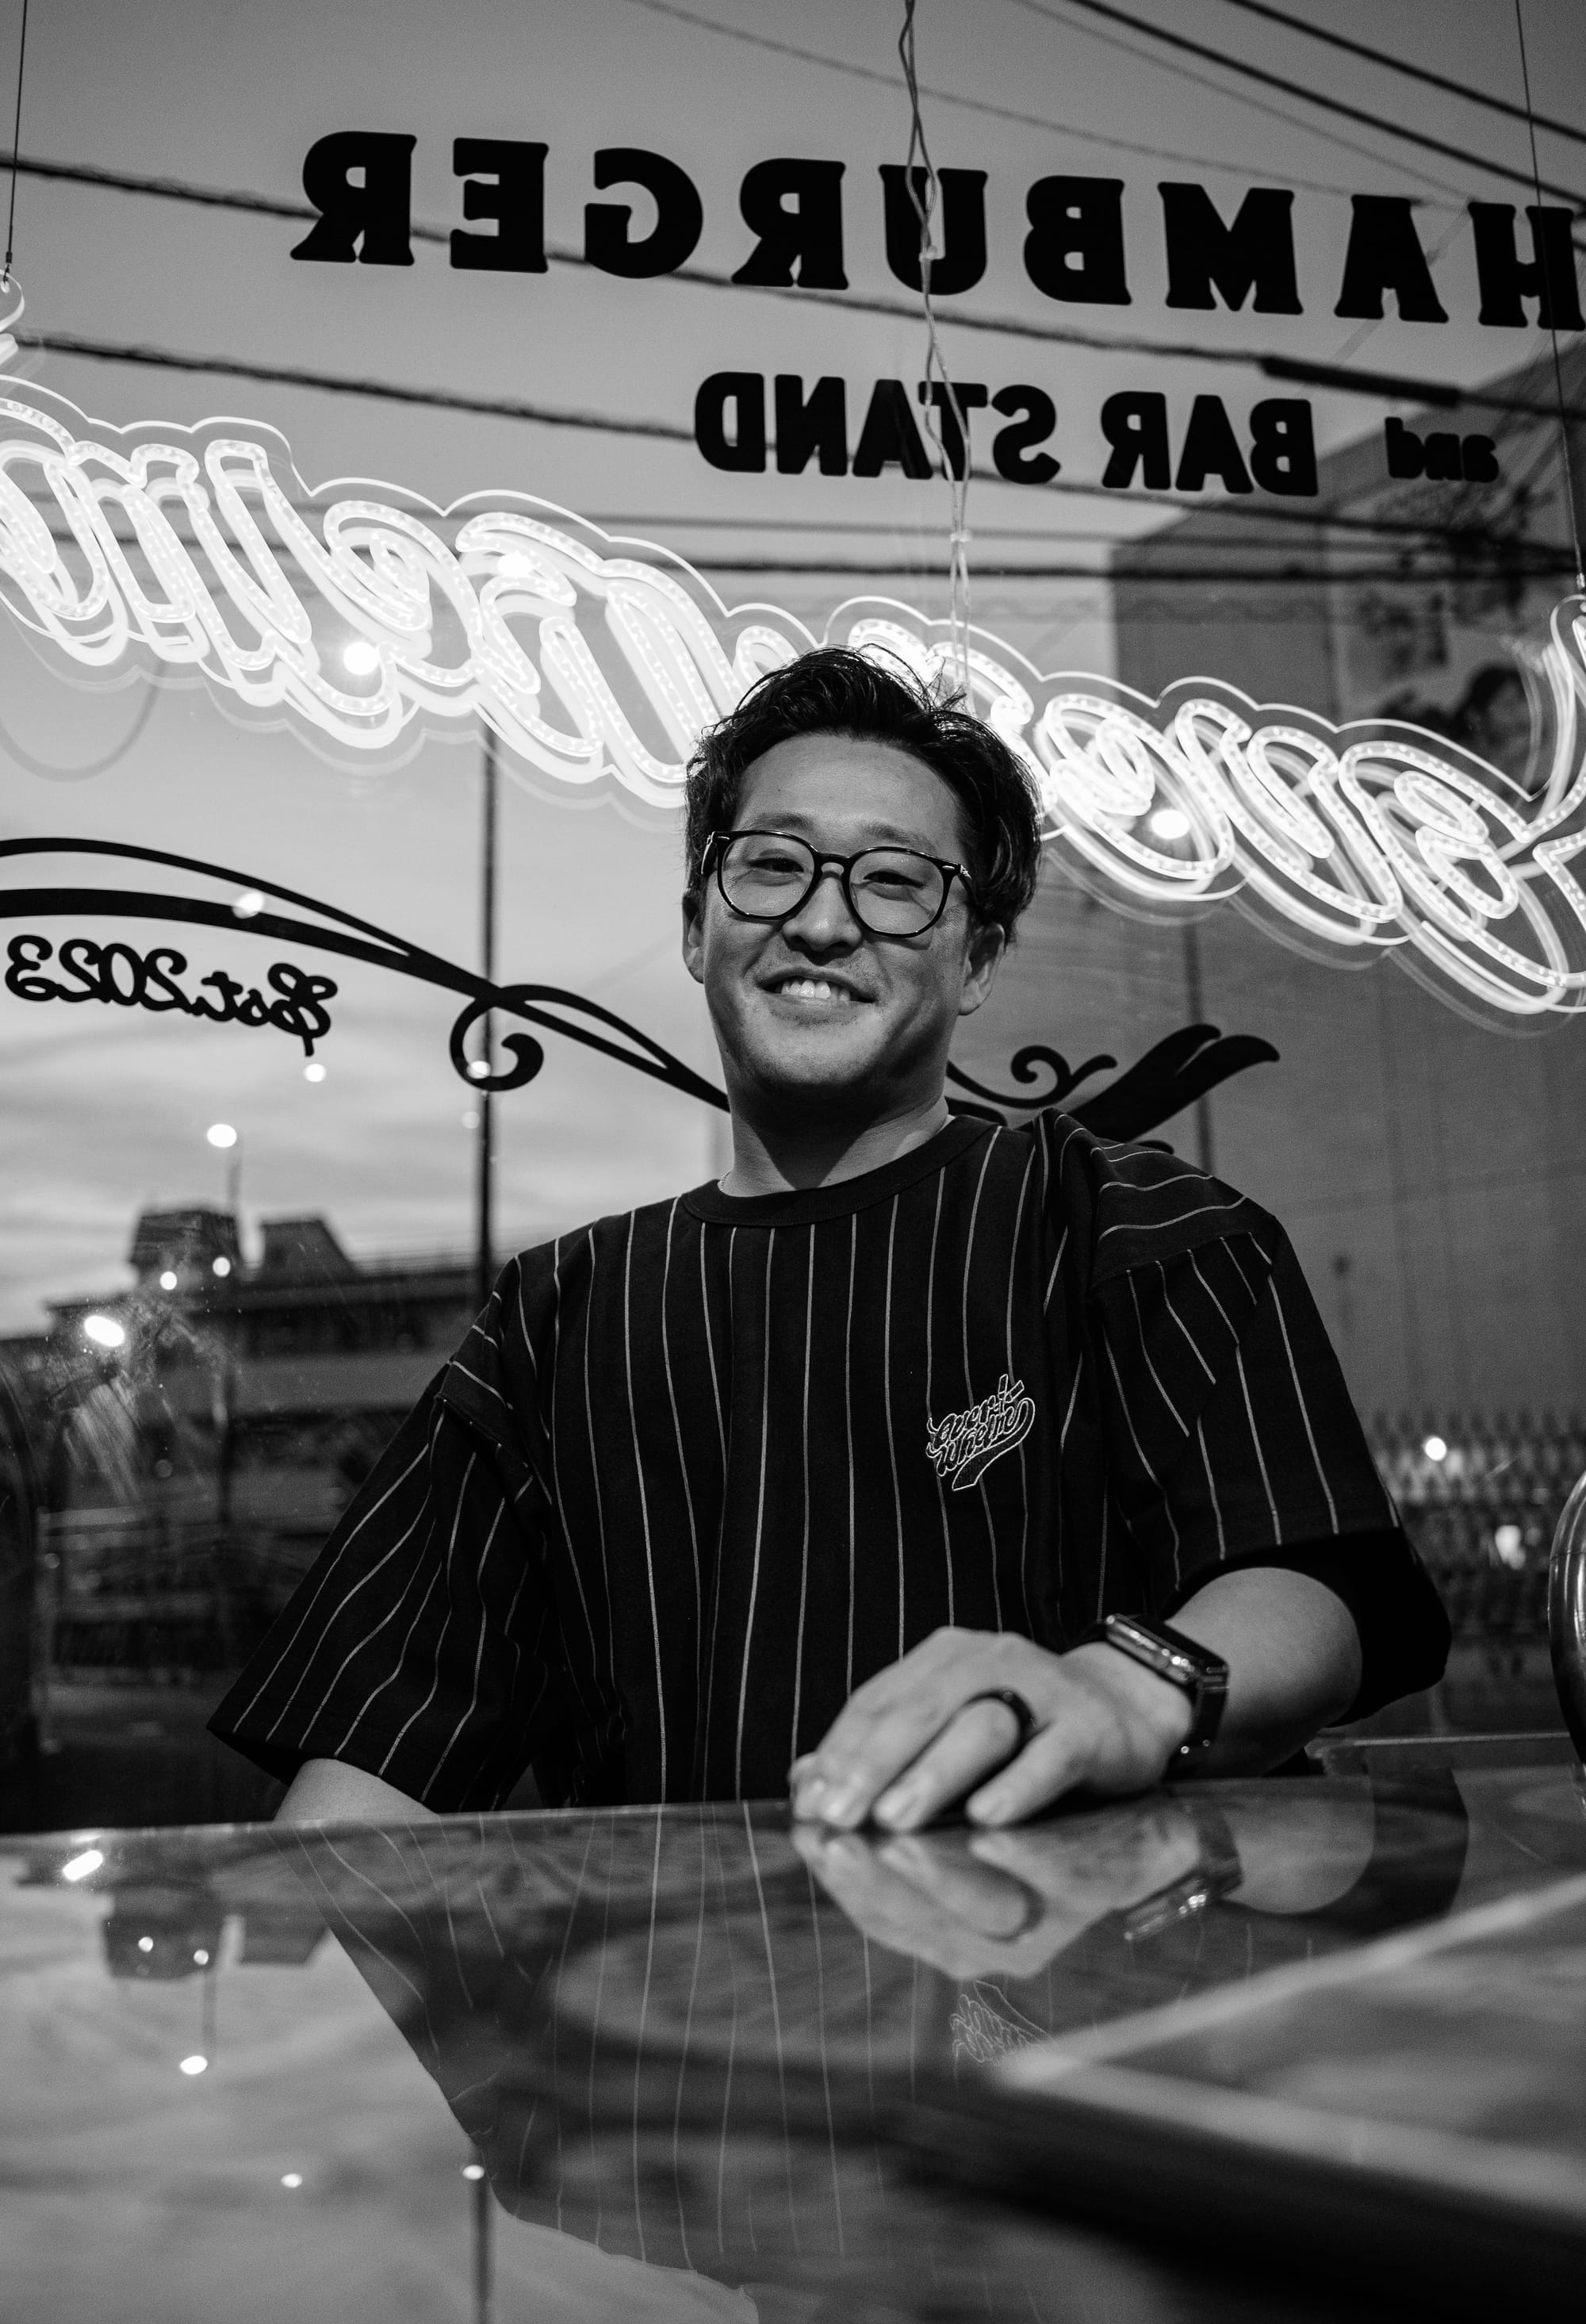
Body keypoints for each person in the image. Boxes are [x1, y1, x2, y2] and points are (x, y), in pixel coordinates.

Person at [211, 648, 1448, 1830]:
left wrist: (1121, 1690)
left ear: (977, 959)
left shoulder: (1126, 1225)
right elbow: (375, 1768)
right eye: (772, 865)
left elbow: (1316, 1588)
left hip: (1071, 1964)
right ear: (696, 925)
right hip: (685, 1976)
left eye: (895, 881)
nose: (820, 922)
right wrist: (287, 1946)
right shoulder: (558, 1317)